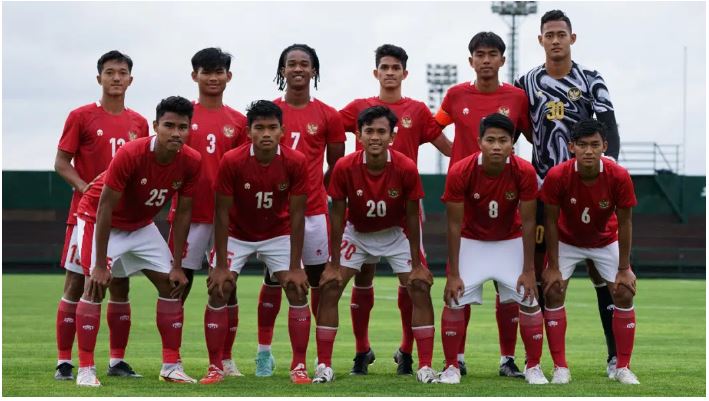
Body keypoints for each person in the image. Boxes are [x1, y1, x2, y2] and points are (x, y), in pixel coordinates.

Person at [515, 9, 622, 376]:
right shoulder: (526, 82)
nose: (556, 40)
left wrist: (605, 181)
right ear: (541, 40)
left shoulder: (592, 80)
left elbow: (609, 132)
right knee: (547, 276)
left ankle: (614, 358)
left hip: (589, 194)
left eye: (562, 34)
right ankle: (543, 362)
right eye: (550, 34)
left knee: (602, 273)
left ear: (572, 39)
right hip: (545, 195)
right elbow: (508, 132)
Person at [339, 43, 451, 376]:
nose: (390, 73)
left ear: (405, 73)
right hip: (362, 208)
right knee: (363, 277)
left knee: (412, 282)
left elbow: (446, 146)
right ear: (376, 73)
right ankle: (362, 351)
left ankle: (406, 350)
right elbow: (329, 129)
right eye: (384, 67)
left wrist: (480, 158)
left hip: (404, 212)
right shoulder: (360, 108)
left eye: (395, 67)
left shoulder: (416, 110)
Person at [73, 96, 201, 387]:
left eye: (183, 127)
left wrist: (178, 264)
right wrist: (101, 262)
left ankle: (171, 366)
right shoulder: (131, 153)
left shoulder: (192, 161)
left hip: (140, 225)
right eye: (168, 125)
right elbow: (104, 207)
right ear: (155, 126)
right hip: (99, 219)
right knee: (94, 286)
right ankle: (86, 369)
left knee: (172, 284)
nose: (176, 133)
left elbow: (182, 213)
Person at [312, 105, 437, 384]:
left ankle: (426, 366)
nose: (375, 137)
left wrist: (417, 264)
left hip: (396, 234)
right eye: (369, 131)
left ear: (392, 136)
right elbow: (337, 215)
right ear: (359, 135)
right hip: (357, 233)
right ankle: (324, 365)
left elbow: (412, 214)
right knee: (330, 286)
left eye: (382, 131)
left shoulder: (405, 166)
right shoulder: (345, 166)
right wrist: (332, 264)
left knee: (419, 285)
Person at [434, 32, 531, 378]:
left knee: (509, 291)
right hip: (464, 194)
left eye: (493, 54)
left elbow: (535, 135)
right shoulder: (456, 94)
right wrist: (455, 153)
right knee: (463, 284)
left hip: (504, 195)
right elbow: (432, 128)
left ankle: (508, 358)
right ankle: (455, 358)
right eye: (480, 54)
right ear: (470, 59)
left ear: (502, 61)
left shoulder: (517, 98)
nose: (486, 60)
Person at [54, 50, 148, 381]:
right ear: (99, 78)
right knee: (77, 282)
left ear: (130, 80)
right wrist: (86, 188)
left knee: (120, 287)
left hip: (122, 222)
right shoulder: (80, 116)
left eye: (122, 73)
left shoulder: (139, 123)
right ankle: (64, 361)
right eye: (110, 72)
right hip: (85, 216)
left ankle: (117, 361)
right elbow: (61, 163)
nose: (116, 78)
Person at [253, 43, 346, 377]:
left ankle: (319, 360)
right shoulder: (267, 114)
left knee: (319, 283)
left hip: (314, 212)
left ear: (314, 71)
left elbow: (337, 166)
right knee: (274, 281)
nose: (297, 69)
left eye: (304, 64)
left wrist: (314, 188)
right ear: (282, 70)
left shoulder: (328, 115)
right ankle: (264, 353)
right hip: (276, 214)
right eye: (290, 64)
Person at [204, 100, 312, 384]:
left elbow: (299, 216)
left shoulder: (296, 161)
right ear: (249, 131)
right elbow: (222, 213)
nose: (266, 133)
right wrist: (219, 264)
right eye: (259, 128)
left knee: (297, 289)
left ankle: (298, 367)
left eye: (272, 127)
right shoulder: (232, 161)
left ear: (282, 131)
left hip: (277, 233)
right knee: (220, 288)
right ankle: (216, 366)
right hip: (237, 234)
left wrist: (296, 266)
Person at [438, 113, 546, 385]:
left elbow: (530, 221)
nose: (496, 146)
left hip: (509, 240)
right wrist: (452, 272)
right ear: (479, 142)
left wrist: (529, 269)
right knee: (453, 300)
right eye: (490, 140)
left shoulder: (524, 171)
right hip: (471, 240)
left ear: (512, 144)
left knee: (530, 300)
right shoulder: (461, 171)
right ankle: (451, 366)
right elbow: (452, 225)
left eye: (503, 140)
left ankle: (533, 366)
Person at [166, 47, 248, 377]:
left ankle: (225, 359)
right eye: (205, 71)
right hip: (189, 215)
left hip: (226, 219)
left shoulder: (239, 122)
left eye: (219, 71)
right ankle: (172, 358)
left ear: (228, 76)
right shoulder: (182, 119)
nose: (212, 77)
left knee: (227, 285)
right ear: (194, 76)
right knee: (177, 284)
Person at [540, 118, 638, 385]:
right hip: (567, 240)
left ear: (604, 146)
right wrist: (553, 265)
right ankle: (560, 367)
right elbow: (550, 220)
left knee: (624, 291)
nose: (588, 151)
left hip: (605, 240)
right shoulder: (558, 175)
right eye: (582, 145)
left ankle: (623, 366)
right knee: (552, 289)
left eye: (595, 145)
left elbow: (626, 221)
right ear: (571, 146)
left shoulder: (618, 175)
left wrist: (624, 267)